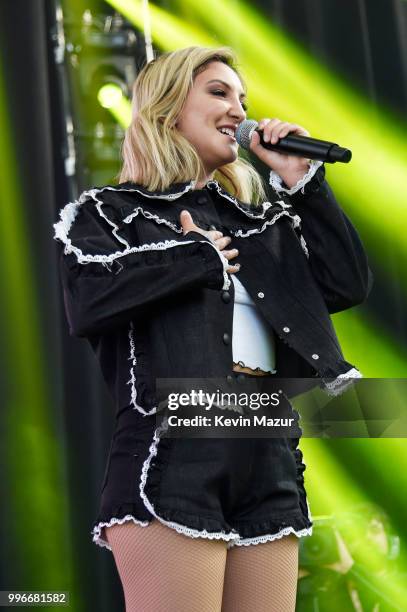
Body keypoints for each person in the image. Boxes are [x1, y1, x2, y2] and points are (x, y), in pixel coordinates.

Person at [53, 46, 373, 612]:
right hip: (175, 456)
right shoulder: (110, 213)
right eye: (219, 92)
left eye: (243, 98)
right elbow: (89, 301)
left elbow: (345, 284)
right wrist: (198, 260)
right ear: (170, 105)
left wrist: (305, 184)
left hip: (267, 453)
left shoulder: (261, 221)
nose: (238, 109)